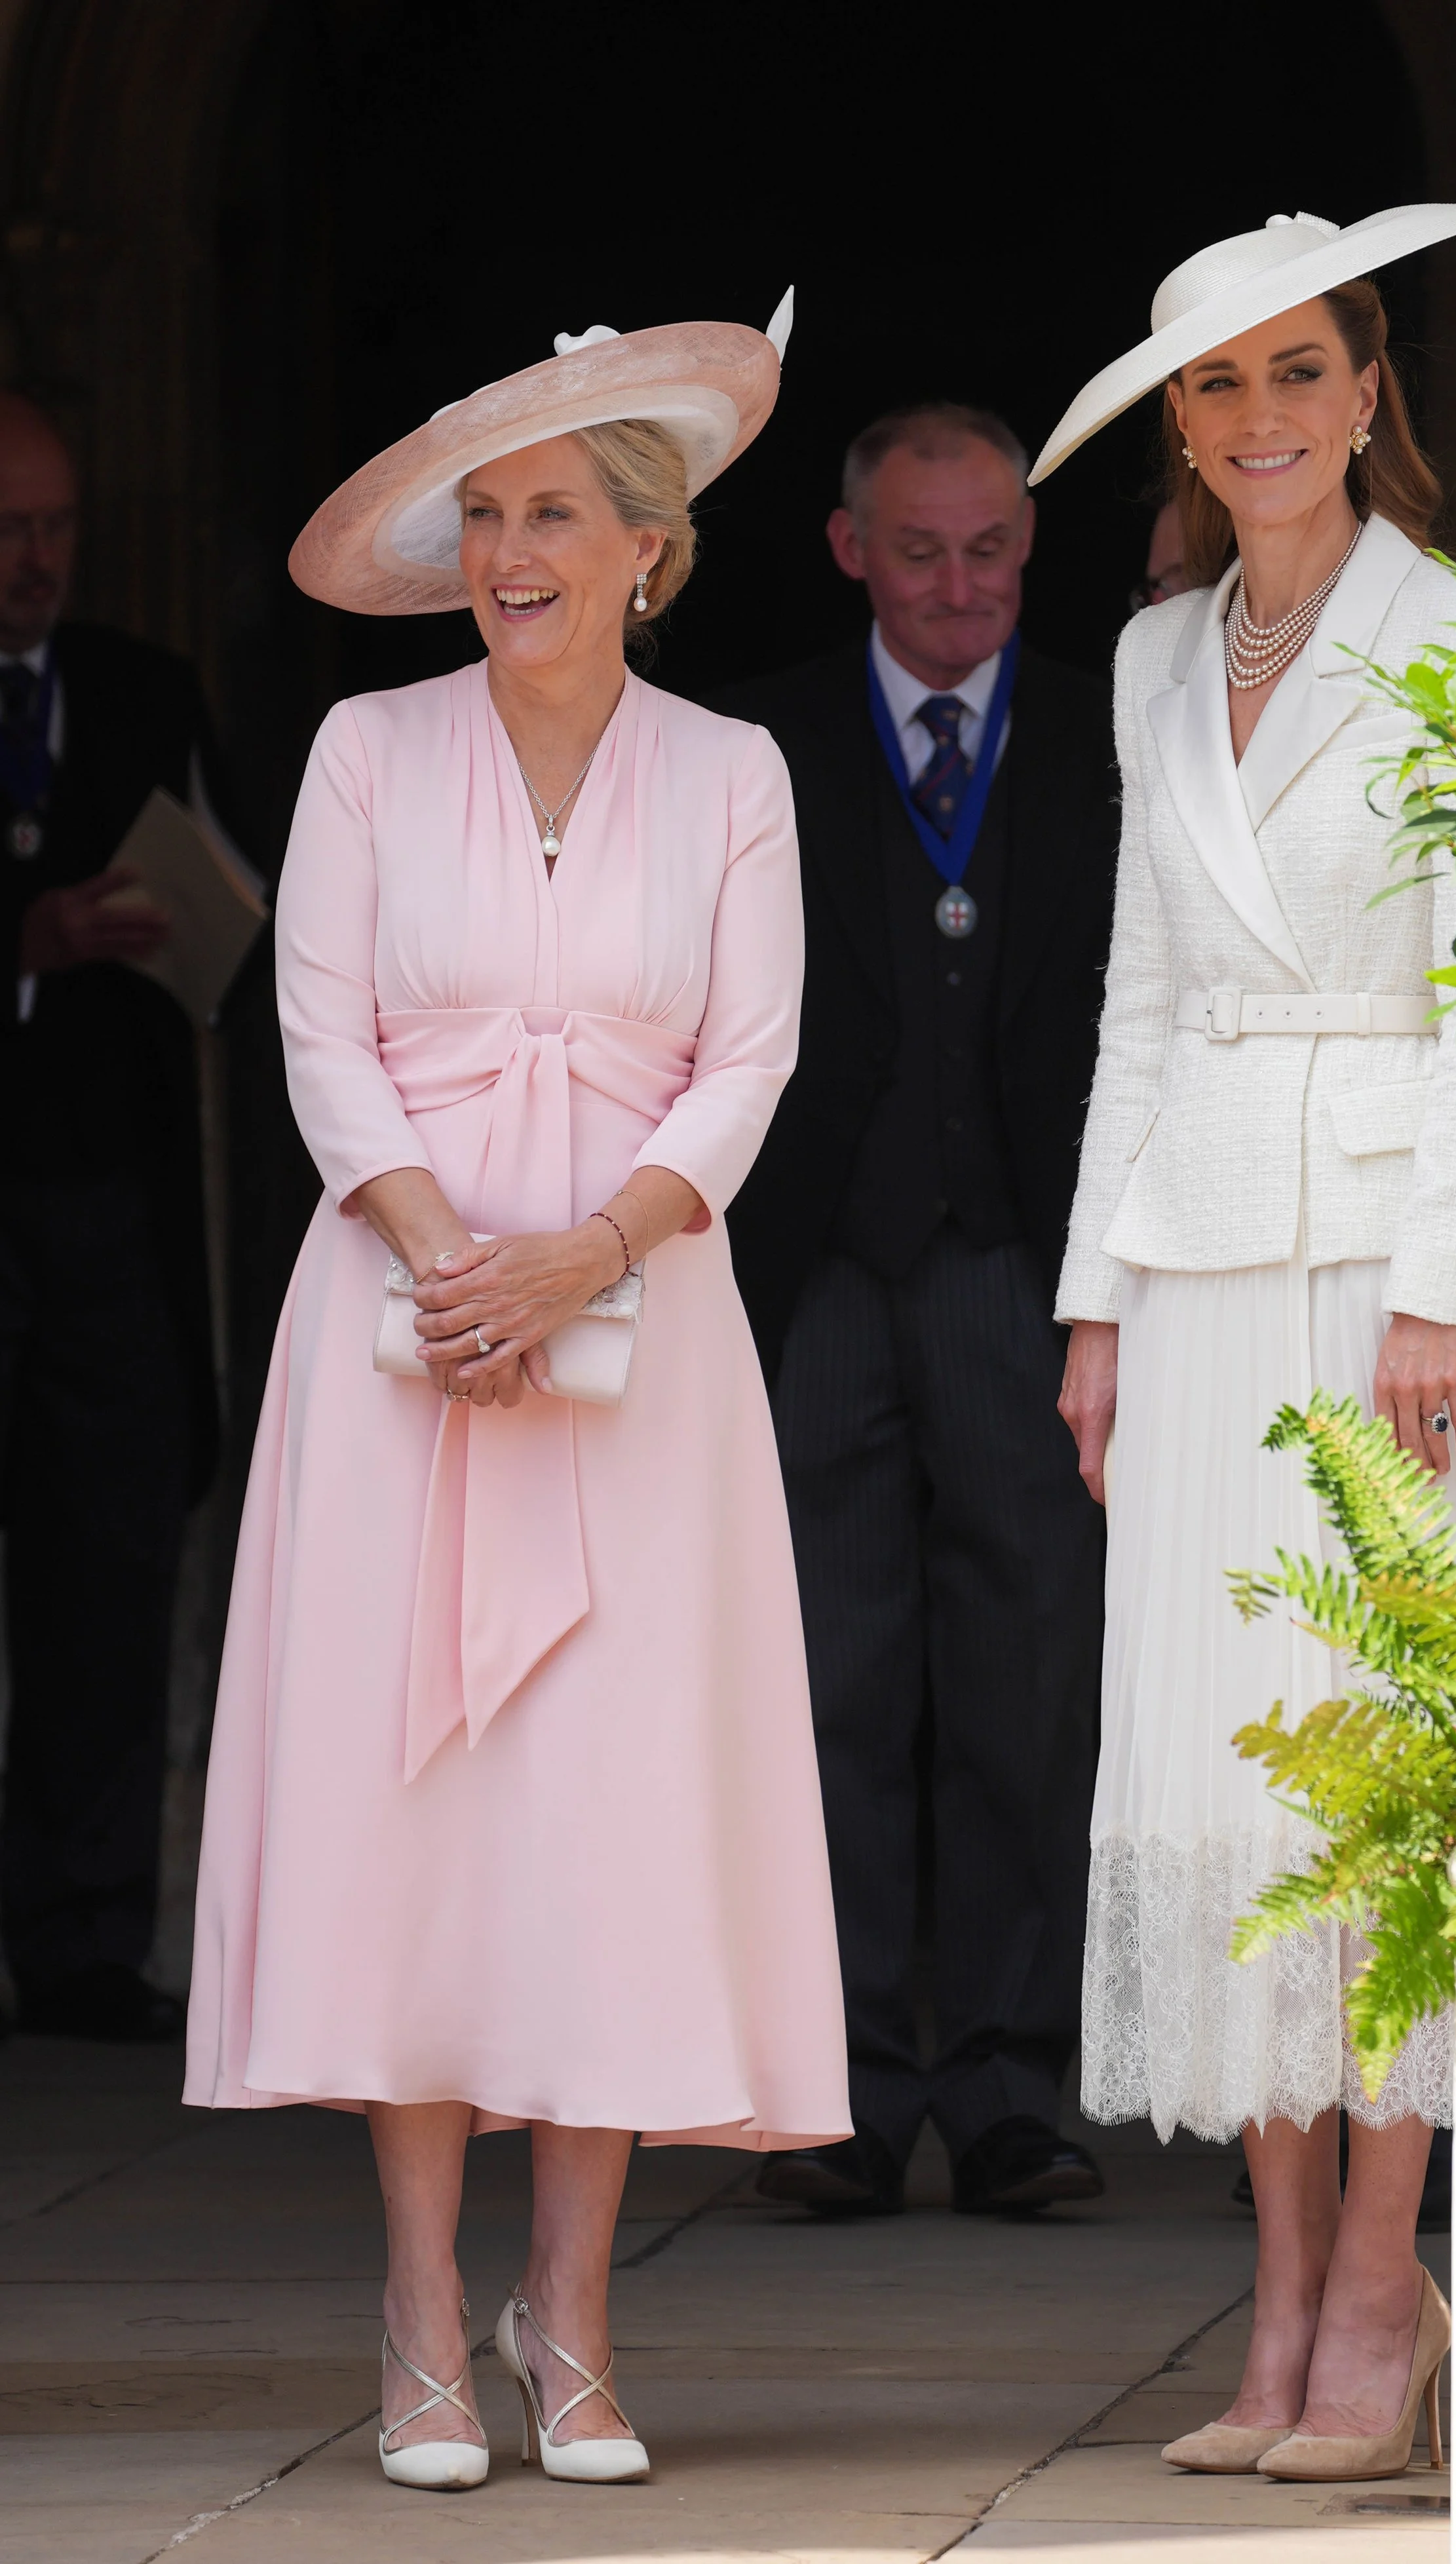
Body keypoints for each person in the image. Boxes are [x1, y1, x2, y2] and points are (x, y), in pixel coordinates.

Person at [185, 307, 849, 2493]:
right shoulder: (370, 751)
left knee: (606, 1822)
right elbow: (317, 1031)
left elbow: (750, 1058)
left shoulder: (733, 773)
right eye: (485, 519)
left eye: (551, 512)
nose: (511, 552)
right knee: (424, 1823)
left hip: (645, 1352)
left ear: (648, 548)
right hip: (397, 1341)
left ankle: (567, 2319)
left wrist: (595, 1248)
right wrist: (447, 1255)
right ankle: (413, 2313)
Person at [1039, 201, 1456, 2481]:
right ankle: (1271, 2305)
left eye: (1301, 371)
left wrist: (1449, 1275)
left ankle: (1379, 2292)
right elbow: (1139, 1000)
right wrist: (1091, 1301)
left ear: (1370, 394)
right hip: (1198, 1259)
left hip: (1382, 1286)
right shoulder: (1152, 658)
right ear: (1183, 422)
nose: (1263, 417)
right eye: (1218, 383)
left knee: (1383, 1784)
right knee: (1230, 1786)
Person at [719, 404, 1115, 2217]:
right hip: (812, 1274)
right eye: (922, 550)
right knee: (826, 1684)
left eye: (992, 552)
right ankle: (844, 2092)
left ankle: (1013, 2086)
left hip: (1028, 1269)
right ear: (846, 548)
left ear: (1029, 551)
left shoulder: (1115, 724)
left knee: (1029, 1683)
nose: (960, 588)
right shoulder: (754, 738)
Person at [0, 392, 235, 2042]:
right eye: (7, 530)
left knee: (104, 1570)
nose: (34, 562)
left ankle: (85, 1936)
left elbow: (232, 892)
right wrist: (26, 937)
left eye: (56, 528)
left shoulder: (145, 690)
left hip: (108, 1208)